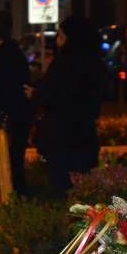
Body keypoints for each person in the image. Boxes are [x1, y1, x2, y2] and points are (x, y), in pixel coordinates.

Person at [28, 17, 105, 197]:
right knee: (83, 193)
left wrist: (34, 94)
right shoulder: (95, 64)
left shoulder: (63, 64)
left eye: (61, 37)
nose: (58, 42)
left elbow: (52, 95)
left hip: (62, 141)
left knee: (62, 192)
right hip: (85, 139)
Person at [0, 10, 33, 195]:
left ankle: (14, 204)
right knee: (16, 165)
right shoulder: (16, 53)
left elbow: (0, 90)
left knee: (10, 166)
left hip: (9, 119)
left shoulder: (0, 57)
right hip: (19, 117)